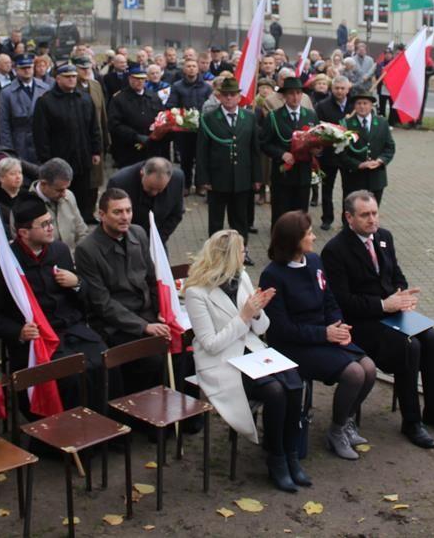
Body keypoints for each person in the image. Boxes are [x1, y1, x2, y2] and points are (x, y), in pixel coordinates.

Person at [321, 191, 434, 448]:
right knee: (410, 347)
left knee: (431, 339)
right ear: (349, 217)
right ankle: (411, 422)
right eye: (365, 215)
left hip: (392, 314)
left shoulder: (384, 237)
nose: (372, 220)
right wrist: (382, 305)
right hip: (361, 323)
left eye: (375, 213)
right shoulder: (335, 250)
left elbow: (396, 276)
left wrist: (403, 296)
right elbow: (342, 301)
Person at [185, 230, 308, 492]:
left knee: (295, 383)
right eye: (242, 252)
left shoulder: (241, 279)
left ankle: (291, 454)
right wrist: (244, 316)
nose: (246, 256)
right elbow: (211, 344)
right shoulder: (197, 293)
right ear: (229, 256)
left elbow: (261, 329)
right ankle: (275, 459)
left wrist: (258, 311)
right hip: (221, 362)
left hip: (251, 350)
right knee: (275, 391)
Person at [259, 211, 376, 461]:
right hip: (294, 346)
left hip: (325, 335)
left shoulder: (313, 261)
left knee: (369, 367)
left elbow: (329, 299)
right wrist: (325, 334)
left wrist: (338, 326)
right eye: (308, 233)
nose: (314, 237)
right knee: (354, 373)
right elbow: (282, 329)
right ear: (294, 240)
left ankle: (345, 422)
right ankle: (335, 432)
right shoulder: (273, 275)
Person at [0, 195, 109, 411]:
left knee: (103, 362)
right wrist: (18, 331)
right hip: (37, 339)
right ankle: (72, 432)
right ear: (24, 233)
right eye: (44, 225)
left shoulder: (60, 251)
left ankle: (106, 426)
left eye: (50, 222)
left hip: (72, 330)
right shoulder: (2, 264)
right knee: (71, 376)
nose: (50, 228)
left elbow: (83, 298)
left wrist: (77, 283)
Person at [73, 188, 168, 394]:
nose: (125, 217)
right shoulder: (87, 249)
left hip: (147, 313)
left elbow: (152, 278)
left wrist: (162, 310)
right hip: (115, 325)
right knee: (151, 359)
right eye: (117, 212)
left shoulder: (138, 233)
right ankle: (137, 414)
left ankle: (176, 416)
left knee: (181, 348)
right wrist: (144, 326)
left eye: (128, 210)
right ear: (102, 215)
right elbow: (102, 303)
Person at [32, 62, 101, 219]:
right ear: (58, 79)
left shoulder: (84, 98)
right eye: (67, 77)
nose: (72, 80)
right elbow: (41, 133)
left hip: (83, 154)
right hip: (59, 155)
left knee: (84, 190)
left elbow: (93, 126)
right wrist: (45, 159)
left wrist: (96, 150)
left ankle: (83, 219)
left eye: (74, 77)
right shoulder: (46, 101)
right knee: (61, 191)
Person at [196, 77, 261, 240]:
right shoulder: (209, 118)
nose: (229, 98)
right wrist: (203, 178)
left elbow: (254, 150)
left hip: (242, 178)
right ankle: (214, 256)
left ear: (239, 97)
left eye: (233, 94)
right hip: (217, 178)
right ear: (219, 97)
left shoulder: (249, 117)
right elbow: (202, 151)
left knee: (240, 220)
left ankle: (241, 252)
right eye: (226, 95)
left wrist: (257, 177)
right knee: (216, 222)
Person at [260, 77, 318, 223]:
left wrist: (318, 150)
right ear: (284, 95)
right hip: (282, 176)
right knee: (281, 216)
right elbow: (264, 144)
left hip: (303, 174)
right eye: (291, 93)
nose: (295, 97)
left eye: (299, 93)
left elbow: (317, 140)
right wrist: (281, 154)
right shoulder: (274, 116)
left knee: (301, 217)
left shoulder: (310, 115)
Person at [107, 156, 186, 242]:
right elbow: (112, 219)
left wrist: (159, 238)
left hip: (157, 239)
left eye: (160, 190)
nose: (154, 193)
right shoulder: (120, 183)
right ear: (142, 174)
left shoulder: (177, 179)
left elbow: (176, 213)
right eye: (150, 188)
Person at [339, 90, 394, 205]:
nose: (362, 106)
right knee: (352, 209)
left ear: (371, 105)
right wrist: (359, 164)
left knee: (372, 209)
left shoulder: (381, 122)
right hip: (354, 177)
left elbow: (389, 147)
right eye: (359, 103)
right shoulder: (346, 124)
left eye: (365, 103)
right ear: (354, 106)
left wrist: (380, 161)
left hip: (376, 177)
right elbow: (341, 153)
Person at [108, 65, 167, 167]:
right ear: (130, 78)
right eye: (136, 79)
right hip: (128, 149)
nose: (140, 82)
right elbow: (114, 124)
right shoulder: (119, 99)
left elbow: (161, 116)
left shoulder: (153, 96)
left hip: (151, 147)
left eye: (142, 79)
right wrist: (135, 136)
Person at [166, 58, 211, 192]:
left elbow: (211, 106)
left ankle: (199, 185)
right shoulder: (177, 86)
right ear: (184, 69)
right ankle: (185, 185)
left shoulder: (206, 87)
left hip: (202, 129)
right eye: (188, 66)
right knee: (186, 159)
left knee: (201, 158)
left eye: (194, 66)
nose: (191, 68)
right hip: (184, 129)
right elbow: (171, 105)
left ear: (198, 69)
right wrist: (183, 117)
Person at [0, 54, 49, 164]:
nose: (27, 71)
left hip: (41, 140)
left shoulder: (44, 88)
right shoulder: (7, 92)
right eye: (23, 68)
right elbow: (4, 123)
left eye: (29, 67)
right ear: (16, 70)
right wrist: (8, 150)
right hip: (20, 141)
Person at [314, 77, 351, 231]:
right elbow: (318, 128)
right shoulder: (322, 106)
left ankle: (346, 220)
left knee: (348, 190)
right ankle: (327, 218)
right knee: (327, 188)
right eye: (337, 88)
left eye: (343, 88)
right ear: (331, 88)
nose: (340, 91)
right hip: (329, 155)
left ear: (348, 89)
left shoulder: (354, 105)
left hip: (349, 156)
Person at [29, 158, 90, 247]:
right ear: (44, 184)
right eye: (59, 190)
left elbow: (82, 231)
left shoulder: (69, 196)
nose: (64, 194)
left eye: (66, 188)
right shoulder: (26, 206)